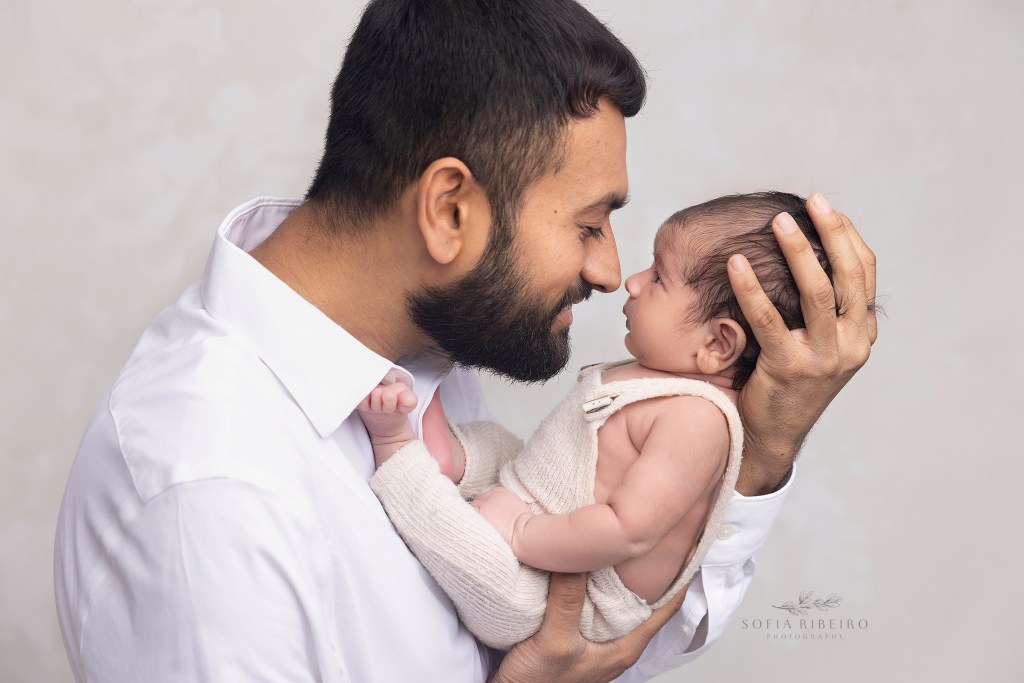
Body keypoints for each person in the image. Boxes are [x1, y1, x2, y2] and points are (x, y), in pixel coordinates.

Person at [53, 1, 877, 682]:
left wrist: (761, 448)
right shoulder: (208, 496)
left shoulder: (429, 346)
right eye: (589, 224)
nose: (608, 269)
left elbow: (595, 630)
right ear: (450, 209)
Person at [356, 192, 830, 650]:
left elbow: (628, 529)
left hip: (561, 597)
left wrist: (521, 533)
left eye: (659, 278)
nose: (632, 282)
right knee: (501, 446)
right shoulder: (663, 377)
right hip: (548, 507)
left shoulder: (698, 420)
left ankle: (397, 451)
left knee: (476, 557)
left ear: (717, 344)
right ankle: (451, 457)